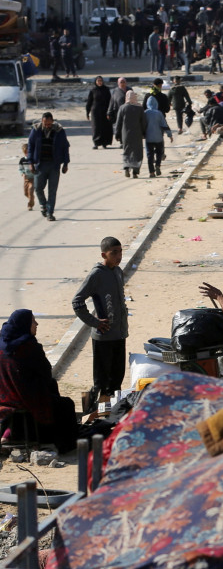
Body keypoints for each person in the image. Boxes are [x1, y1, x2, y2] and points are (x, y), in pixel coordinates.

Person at [0, 310, 80, 453]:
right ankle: (65, 445)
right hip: (23, 399)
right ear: (24, 325)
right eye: (33, 321)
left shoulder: (2, 345)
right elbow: (45, 373)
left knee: (50, 387)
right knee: (65, 404)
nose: (36, 324)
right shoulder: (29, 347)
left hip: (4, 398)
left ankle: (10, 433)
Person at [71, 237, 128, 404]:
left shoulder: (118, 272)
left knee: (117, 379)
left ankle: (110, 415)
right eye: (114, 253)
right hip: (103, 336)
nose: (119, 256)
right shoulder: (96, 275)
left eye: (120, 251)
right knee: (101, 382)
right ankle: (90, 412)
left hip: (119, 334)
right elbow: (77, 302)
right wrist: (94, 322)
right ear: (104, 254)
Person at [27, 112, 70, 221]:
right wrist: (30, 163)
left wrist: (65, 163)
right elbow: (30, 147)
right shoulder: (36, 130)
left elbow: (65, 147)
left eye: (49, 124)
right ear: (42, 121)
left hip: (54, 165)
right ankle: (43, 205)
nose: (47, 126)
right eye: (45, 124)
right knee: (37, 188)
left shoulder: (59, 131)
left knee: (52, 190)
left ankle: (50, 212)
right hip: (40, 165)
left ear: (52, 122)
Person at [115, 91, 145, 179]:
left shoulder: (122, 108)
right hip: (137, 134)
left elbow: (118, 122)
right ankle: (135, 172)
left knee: (127, 151)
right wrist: (144, 133)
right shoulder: (139, 109)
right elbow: (143, 122)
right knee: (137, 152)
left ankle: (127, 167)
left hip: (125, 134)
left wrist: (117, 134)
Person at [143, 95, 173, 178]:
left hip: (149, 138)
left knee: (150, 155)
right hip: (158, 137)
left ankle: (151, 173)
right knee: (159, 153)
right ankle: (157, 166)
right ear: (156, 104)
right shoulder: (159, 113)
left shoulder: (145, 113)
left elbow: (142, 125)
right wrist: (169, 135)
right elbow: (164, 125)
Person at [85, 76, 113, 149]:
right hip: (95, 112)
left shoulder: (106, 90)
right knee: (96, 127)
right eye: (98, 81)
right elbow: (89, 102)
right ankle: (96, 143)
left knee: (105, 127)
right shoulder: (93, 90)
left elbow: (110, 101)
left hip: (105, 111)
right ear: (96, 82)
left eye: (101, 80)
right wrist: (87, 112)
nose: (99, 82)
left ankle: (104, 143)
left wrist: (110, 112)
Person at [18, 143, 34, 211]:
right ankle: (32, 198)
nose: (27, 154)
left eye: (28, 152)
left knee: (30, 190)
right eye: (25, 153)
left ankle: (30, 205)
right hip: (26, 179)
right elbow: (20, 168)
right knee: (25, 193)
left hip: (33, 178)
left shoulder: (33, 159)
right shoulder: (22, 160)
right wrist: (22, 173)